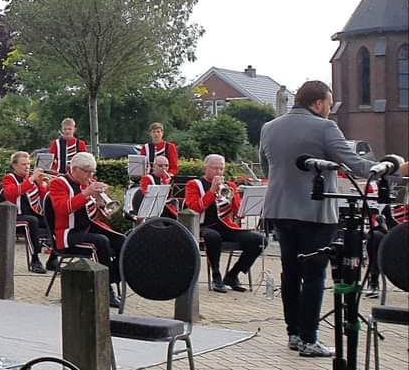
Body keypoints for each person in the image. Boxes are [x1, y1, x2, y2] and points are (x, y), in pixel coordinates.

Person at [259, 80, 373, 357]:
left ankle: (294, 334)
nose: (330, 110)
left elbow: (265, 167)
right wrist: (396, 168)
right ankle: (310, 339)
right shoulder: (325, 127)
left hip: (280, 211)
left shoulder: (269, 127)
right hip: (315, 213)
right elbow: (356, 165)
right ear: (318, 103)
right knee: (313, 276)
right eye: (329, 104)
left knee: (290, 273)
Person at [48, 151, 124, 308]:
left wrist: (100, 202)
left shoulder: (87, 183)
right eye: (87, 171)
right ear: (74, 169)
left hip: (86, 229)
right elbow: (62, 209)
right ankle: (105, 289)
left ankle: (113, 278)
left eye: (92, 171)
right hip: (68, 233)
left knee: (122, 241)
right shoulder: (59, 184)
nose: (90, 175)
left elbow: (102, 215)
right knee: (100, 242)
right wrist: (85, 194)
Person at [185, 154, 264, 293]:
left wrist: (233, 198)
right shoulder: (194, 185)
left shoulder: (230, 185)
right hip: (204, 226)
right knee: (213, 237)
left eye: (221, 169)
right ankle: (216, 275)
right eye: (215, 168)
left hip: (227, 226)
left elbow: (240, 213)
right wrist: (211, 191)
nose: (218, 172)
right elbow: (195, 208)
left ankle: (233, 275)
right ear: (205, 168)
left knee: (259, 240)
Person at [0, 151, 51, 274]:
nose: (27, 167)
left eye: (28, 164)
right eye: (23, 164)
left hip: (31, 214)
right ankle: (35, 260)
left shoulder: (29, 179)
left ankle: (53, 258)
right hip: (13, 216)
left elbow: (42, 199)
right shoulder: (9, 178)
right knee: (31, 222)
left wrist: (43, 185)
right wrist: (32, 179)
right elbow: (11, 193)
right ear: (14, 166)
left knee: (52, 219)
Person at [136, 155, 177, 219]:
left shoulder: (169, 178)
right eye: (160, 166)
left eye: (166, 165)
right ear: (154, 167)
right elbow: (147, 196)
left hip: (167, 208)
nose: (164, 168)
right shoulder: (147, 178)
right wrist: (165, 185)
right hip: (152, 210)